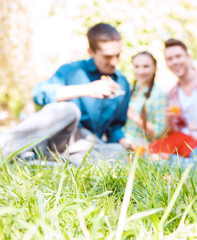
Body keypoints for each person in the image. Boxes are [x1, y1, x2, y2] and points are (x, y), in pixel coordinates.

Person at [0, 23, 131, 165]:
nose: (114, 62)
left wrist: (124, 141)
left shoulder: (122, 83)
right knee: (69, 110)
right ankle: (4, 147)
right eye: (108, 56)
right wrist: (87, 89)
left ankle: (42, 163)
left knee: (119, 152)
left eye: (118, 55)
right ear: (91, 52)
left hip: (86, 144)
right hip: (60, 137)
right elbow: (39, 93)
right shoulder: (72, 70)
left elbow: (115, 127)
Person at [149, 38, 197, 158]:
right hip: (186, 135)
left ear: (188, 57)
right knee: (153, 148)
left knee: (189, 152)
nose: (175, 62)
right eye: (170, 59)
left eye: (178, 56)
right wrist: (170, 120)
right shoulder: (173, 92)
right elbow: (176, 128)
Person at [122, 51, 168, 151]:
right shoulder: (130, 90)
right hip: (122, 141)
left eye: (146, 66)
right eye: (137, 67)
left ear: (154, 68)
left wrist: (134, 117)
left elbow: (159, 133)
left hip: (141, 147)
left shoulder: (159, 95)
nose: (140, 71)